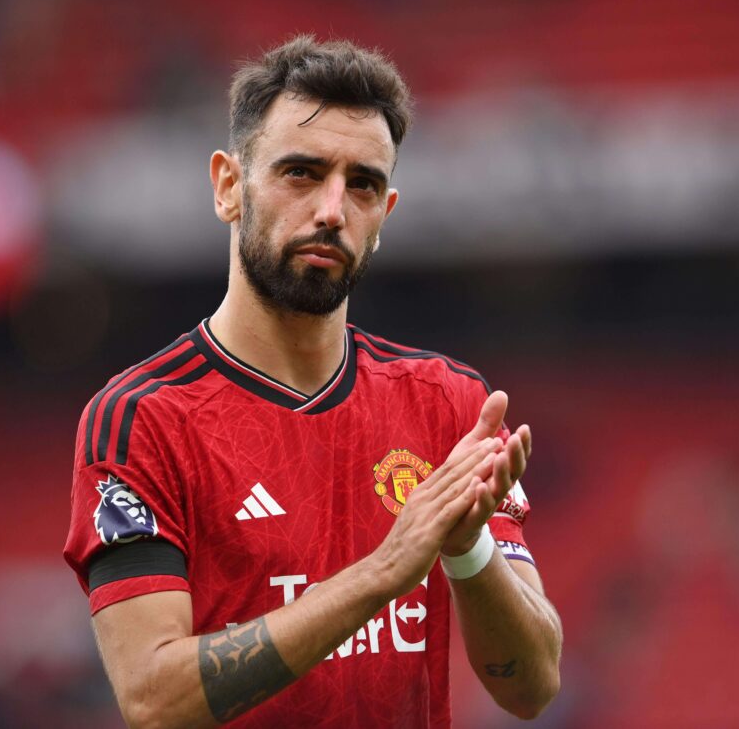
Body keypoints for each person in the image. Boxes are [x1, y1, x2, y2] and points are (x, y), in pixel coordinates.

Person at [64, 35, 562, 728]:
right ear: (229, 186)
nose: (333, 210)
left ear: (384, 216)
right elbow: (154, 700)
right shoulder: (144, 419)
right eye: (301, 173)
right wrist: (384, 571)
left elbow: (531, 687)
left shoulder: (450, 404)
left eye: (362, 184)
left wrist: (466, 547)